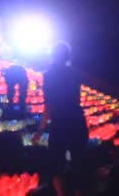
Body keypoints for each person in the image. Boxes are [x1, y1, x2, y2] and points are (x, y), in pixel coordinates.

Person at [32, 42, 88, 196]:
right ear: (67, 56)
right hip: (76, 119)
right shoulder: (75, 74)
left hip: (60, 122)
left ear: (52, 56)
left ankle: (62, 193)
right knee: (79, 161)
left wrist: (39, 131)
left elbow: (48, 105)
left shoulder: (49, 76)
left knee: (56, 163)